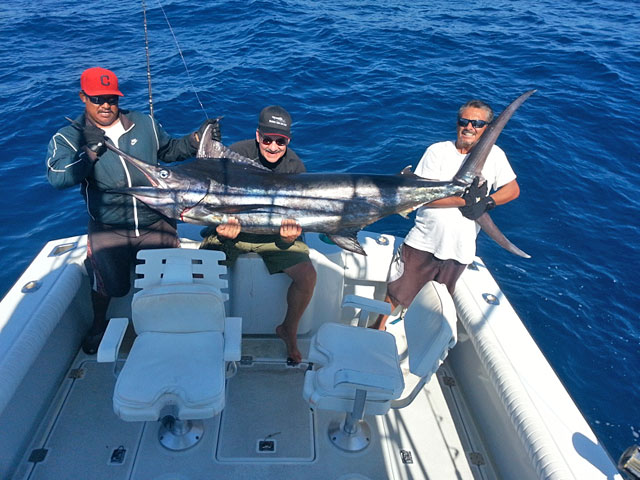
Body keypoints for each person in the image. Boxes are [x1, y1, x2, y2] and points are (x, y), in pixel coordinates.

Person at [46, 66, 220, 354]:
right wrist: (88, 153)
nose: (105, 105)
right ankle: (98, 326)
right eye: (97, 98)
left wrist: (193, 140)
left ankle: (166, 328)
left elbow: (168, 152)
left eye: (111, 99)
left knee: (166, 283)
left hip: (158, 222)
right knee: (108, 287)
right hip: (109, 228)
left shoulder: (144, 123)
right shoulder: (68, 136)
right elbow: (58, 177)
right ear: (83, 97)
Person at [370, 99, 520, 330]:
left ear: (487, 128)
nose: (469, 127)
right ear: (457, 123)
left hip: (459, 250)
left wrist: (487, 202)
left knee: (435, 307)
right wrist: (464, 201)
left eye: (477, 123)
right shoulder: (438, 151)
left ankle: (414, 346)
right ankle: (376, 333)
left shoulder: (496, 155)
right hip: (423, 242)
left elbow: (512, 190)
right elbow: (419, 197)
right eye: (464, 121)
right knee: (396, 295)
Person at [200, 106, 317, 364]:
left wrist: (287, 238)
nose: (273, 147)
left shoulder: (295, 166)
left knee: (307, 276)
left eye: (280, 141)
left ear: (288, 140)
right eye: (267, 140)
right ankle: (205, 331)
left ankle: (288, 329)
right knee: (200, 272)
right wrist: (223, 231)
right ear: (257, 135)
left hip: (274, 234)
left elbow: (298, 215)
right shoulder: (236, 155)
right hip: (232, 229)